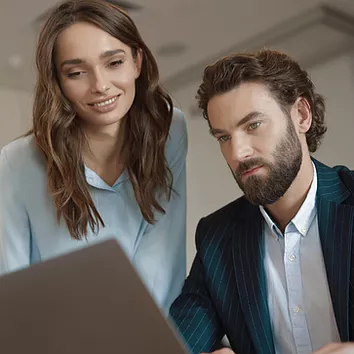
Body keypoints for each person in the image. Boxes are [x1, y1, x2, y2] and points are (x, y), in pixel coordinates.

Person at [0, 0, 187, 314]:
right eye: (76, 72)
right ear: (58, 82)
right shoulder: (15, 164)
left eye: (114, 63)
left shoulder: (169, 130)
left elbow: (163, 262)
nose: (100, 86)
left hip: (148, 333)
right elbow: (12, 291)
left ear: (137, 61)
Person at [170, 49, 354, 353]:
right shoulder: (217, 238)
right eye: (224, 137)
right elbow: (176, 344)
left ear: (301, 115)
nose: (237, 153)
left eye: (253, 125)